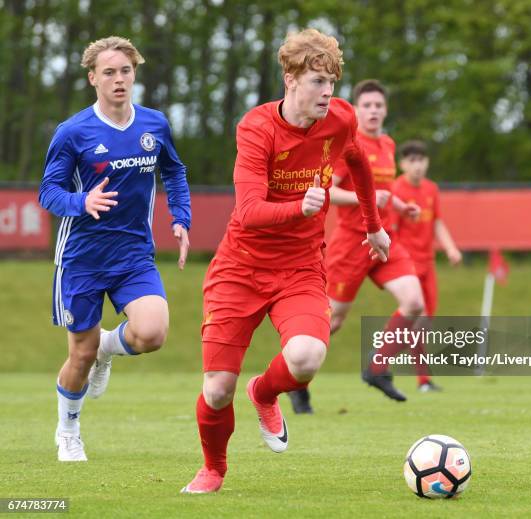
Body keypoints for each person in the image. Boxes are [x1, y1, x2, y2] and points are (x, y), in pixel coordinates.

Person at [181, 29, 390, 494]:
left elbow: (358, 164)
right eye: (318, 80)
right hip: (240, 268)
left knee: (307, 356)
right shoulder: (256, 129)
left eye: (332, 80)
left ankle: (264, 392)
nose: (328, 91)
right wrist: (301, 206)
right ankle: (213, 469)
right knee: (216, 390)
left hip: (299, 268)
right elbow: (250, 212)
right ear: (291, 79)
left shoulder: (340, 118)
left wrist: (373, 225)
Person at [39, 36, 191, 462]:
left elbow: (174, 171)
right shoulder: (72, 132)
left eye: (125, 71)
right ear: (93, 79)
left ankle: (110, 346)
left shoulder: (155, 124)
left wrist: (180, 218)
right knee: (80, 354)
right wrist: (81, 202)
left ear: (134, 75)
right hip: (81, 259)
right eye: (109, 72)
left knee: (153, 332)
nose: (119, 79)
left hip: (133, 255)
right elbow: (48, 192)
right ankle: (68, 429)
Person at [288, 80, 436, 414]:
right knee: (331, 320)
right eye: (366, 105)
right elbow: (326, 192)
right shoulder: (346, 144)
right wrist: (364, 198)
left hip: (382, 239)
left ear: (385, 110)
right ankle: (295, 383)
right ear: (355, 109)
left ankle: (377, 366)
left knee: (414, 302)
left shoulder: (387, 143)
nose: (373, 111)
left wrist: (397, 205)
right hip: (350, 244)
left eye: (378, 106)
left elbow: (380, 188)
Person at [392, 140, 462, 318]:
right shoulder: (396, 190)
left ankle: (401, 345)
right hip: (407, 262)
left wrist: (451, 248)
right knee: (417, 310)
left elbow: (436, 222)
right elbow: (391, 230)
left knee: (428, 313)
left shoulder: (431, 189)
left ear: (427, 162)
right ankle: (384, 345)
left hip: (428, 262)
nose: (418, 165)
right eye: (412, 160)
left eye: (421, 160)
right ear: (402, 164)